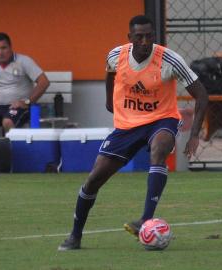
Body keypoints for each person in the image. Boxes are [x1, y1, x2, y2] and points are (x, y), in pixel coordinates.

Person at [58, 15, 208, 251]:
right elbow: (110, 74)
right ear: (130, 38)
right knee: (94, 179)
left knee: (160, 149)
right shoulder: (115, 55)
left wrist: (195, 134)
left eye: (149, 36)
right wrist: (110, 102)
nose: (145, 41)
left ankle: (145, 220)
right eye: (139, 37)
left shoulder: (170, 60)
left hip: (162, 119)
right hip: (127, 126)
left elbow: (202, 94)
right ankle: (75, 236)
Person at [0, 32, 50, 157]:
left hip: (19, 106)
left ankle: (10, 161)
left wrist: (27, 102)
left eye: (4, 48)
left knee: (7, 121)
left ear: (10, 47)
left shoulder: (24, 61)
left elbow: (44, 82)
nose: (1, 52)